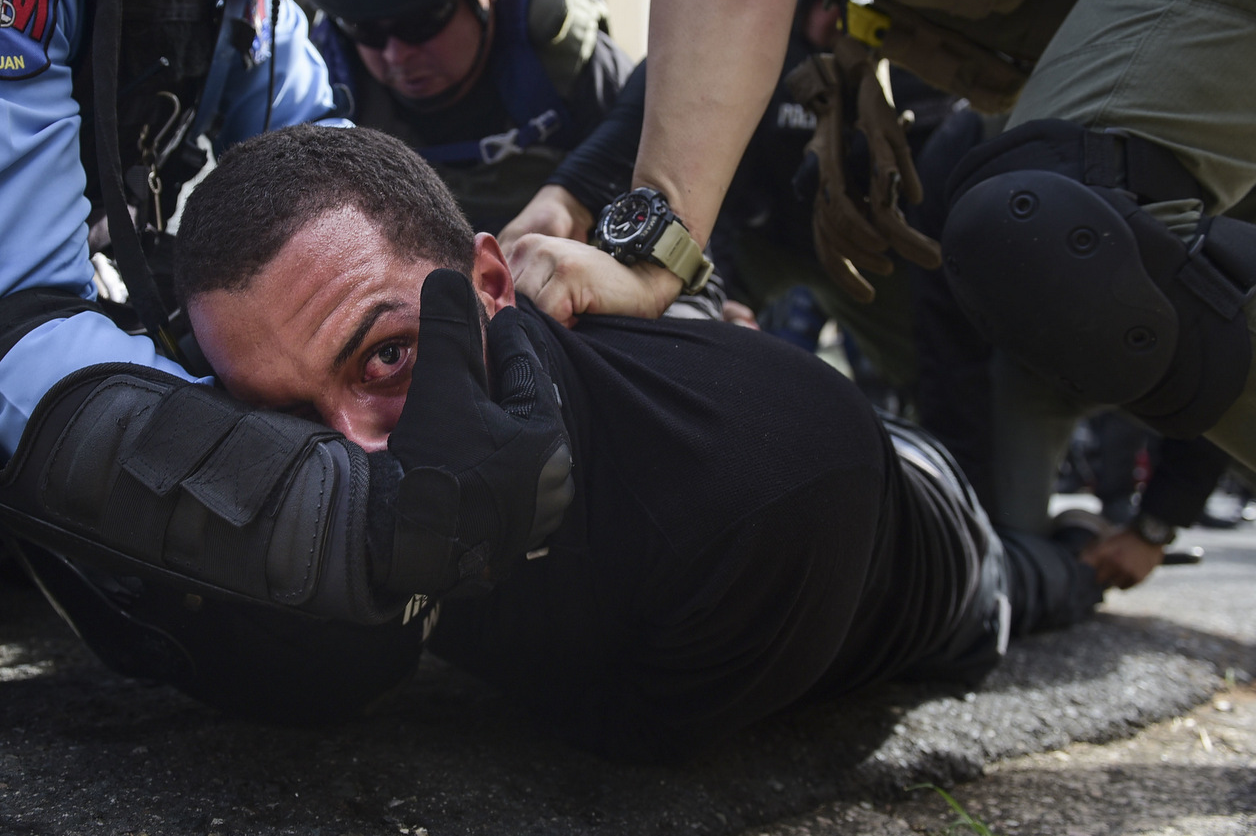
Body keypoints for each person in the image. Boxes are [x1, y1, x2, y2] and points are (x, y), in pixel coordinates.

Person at [0, 0, 572, 757]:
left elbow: (339, 190)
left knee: (251, 605)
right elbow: (11, 328)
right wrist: (354, 517)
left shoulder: (247, 7)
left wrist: (494, 346)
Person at [170, 124, 1103, 760]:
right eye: (285, 418)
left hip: (923, 535)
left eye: (388, 355)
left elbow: (629, 730)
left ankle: (1091, 549)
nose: (353, 452)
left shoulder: (761, 491)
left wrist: (423, 594)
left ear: (490, 280)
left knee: (1035, 576)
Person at [501, 0, 1256, 588]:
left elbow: (973, 338)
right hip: (1050, 58)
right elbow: (701, 34)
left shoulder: (952, 145)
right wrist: (603, 209)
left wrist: (1156, 521)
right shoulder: (819, 46)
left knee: (1054, 233)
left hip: (1017, 291)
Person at [301, 0, 632, 234]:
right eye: (364, 31)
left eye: (422, 23)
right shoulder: (329, 86)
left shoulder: (565, 60)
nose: (396, 56)